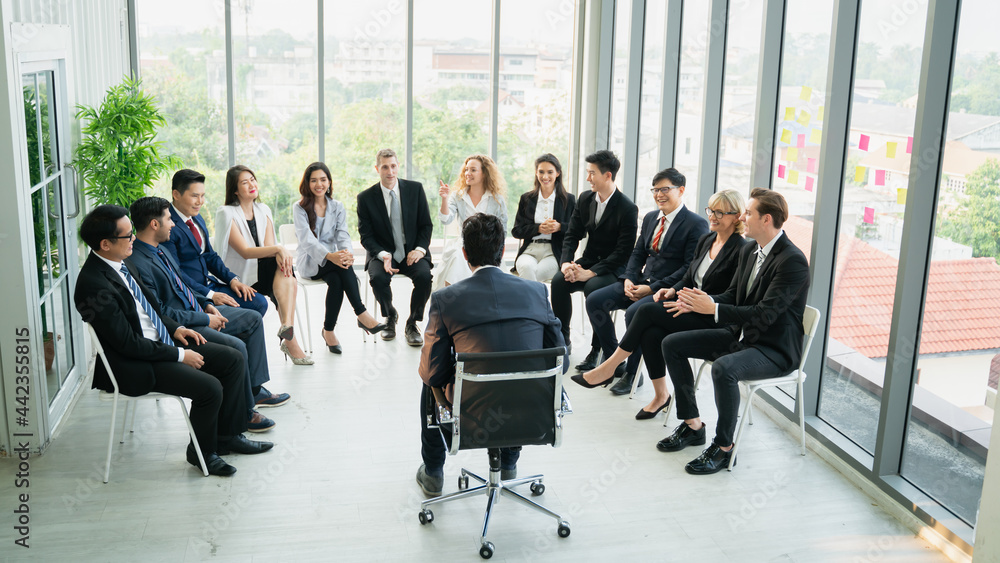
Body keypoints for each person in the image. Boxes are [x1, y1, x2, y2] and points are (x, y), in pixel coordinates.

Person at [74, 204, 273, 477]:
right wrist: (180, 355)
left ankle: (228, 436)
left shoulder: (122, 262)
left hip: (162, 341)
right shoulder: (92, 285)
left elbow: (152, 310)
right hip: (137, 363)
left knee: (233, 359)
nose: (133, 238)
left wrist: (176, 328)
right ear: (105, 244)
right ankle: (202, 453)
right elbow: (128, 344)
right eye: (127, 235)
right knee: (210, 388)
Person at [657, 188, 810, 475]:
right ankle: (692, 425)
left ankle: (725, 448)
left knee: (724, 368)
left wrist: (713, 309)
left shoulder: (792, 260)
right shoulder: (751, 250)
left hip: (774, 349)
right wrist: (702, 301)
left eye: (748, 213)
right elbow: (735, 295)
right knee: (671, 344)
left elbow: (765, 313)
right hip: (742, 337)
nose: (742, 217)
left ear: (766, 219)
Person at [415, 213, 566, 497]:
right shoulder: (536, 291)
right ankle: (508, 463)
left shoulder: (446, 299)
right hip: (532, 411)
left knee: (428, 382)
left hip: (471, 416)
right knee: (517, 376)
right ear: (503, 250)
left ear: (464, 254)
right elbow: (561, 362)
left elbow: (433, 373)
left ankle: (433, 472)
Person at [128, 196, 290, 433]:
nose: (173, 224)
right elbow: (160, 312)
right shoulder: (138, 262)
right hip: (184, 326)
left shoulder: (160, 249)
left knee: (252, 318)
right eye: (168, 219)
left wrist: (206, 303)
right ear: (154, 224)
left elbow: (183, 283)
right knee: (236, 347)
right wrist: (205, 319)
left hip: (197, 310)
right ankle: (244, 413)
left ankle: (254, 391)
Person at [581, 189, 748, 418]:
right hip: (688, 306)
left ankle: (610, 366)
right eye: (711, 210)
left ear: (737, 216)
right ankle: (661, 395)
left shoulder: (742, 249)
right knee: (651, 334)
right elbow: (688, 276)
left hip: (714, 317)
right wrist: (671, 290)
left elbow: (735, 295)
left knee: (645, 310)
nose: (713, 216)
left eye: (720, 212)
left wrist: (702, 301)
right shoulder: (708, 240)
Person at [573, 168, 708, 394]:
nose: (658, 195)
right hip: (639, 282)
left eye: (665, 189)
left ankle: (633, 373)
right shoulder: (650, 218)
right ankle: (614, 360)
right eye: (655, 190)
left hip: (667, 291)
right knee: (595, 300)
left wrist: (651, 288)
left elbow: (688, 268)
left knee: (634, 313)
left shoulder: (696, 224)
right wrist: (629, 278)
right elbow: (637, 254)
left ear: (681, 190)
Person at [213, 165, 313, 364]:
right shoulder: (226, 213)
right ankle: (289, 339)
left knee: (284, 269)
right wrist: (280, 249)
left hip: (263, 273)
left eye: (253, 179)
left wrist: (278, 251)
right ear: (235, 190)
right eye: (244, 182)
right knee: (287, 273)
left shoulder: (263, 209)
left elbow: (268, 248)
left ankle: (286, 328)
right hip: (239, 278)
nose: (252, 184)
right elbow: (245, 252)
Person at [550, 150, 638, 362]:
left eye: (592, 173)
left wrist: (590, 273)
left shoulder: (627, 208)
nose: (588, 178)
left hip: (613, 268)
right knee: (559, 281)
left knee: (593, 288)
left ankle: (596, 349)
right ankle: (563, 339)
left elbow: (623, 252)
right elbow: (572, 234)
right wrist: (566, 263)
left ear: (607, 175)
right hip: (589, 261)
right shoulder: (585, 198)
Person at [293, 161, 388, 353]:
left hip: (334, 261)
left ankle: (328, 331)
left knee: (337, 280)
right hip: (311, 260)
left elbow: (342, 234)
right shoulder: (300, 207)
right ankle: (361, 313)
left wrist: (347, 254)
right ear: (307, 183)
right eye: (314, 180)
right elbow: (307, 241)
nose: (319, 184)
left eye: (323, 179)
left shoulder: (337, 206)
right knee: (341, 266)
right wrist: (331, 256)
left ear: (329, 182)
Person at [161, 169, 269, 317]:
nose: (200, 201)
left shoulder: (196, 218)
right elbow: (175, 273)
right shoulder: (167, 225)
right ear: (176, 194)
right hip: (192, 293)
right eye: (195, 196)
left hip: (209, 284)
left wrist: (232, 280)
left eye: (202, 195)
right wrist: (210, 295)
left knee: (259, 302)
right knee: (249, 316)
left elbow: (209, 255)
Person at [357, 148, 435, 346]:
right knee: (377, 278)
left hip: (412, 251)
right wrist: (383, 254)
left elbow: (426, 225)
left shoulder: (415, 189)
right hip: (382, 252)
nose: (390, 171)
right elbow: (366, 236)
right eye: (385, 167)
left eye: (393, 166)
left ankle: (412, 323)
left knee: (424, 277)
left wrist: (420, 250)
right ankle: (390, 315)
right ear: (377, 169)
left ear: (398, 166)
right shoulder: (365, 198)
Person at [435, 154, 508, 288]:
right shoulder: (458, 196)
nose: (468, 173)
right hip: (463, 243)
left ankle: (461, 295)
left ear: (484, 173)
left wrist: (496, 249)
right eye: (466, 169)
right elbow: (445, 219)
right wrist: (444, 199)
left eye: (473, 170)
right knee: (458, 257)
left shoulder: (496, 199)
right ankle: (450, 294)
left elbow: (503, 230)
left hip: (488, 245)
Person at [511, 153, 576, 282]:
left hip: (553, 252)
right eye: (541, 172)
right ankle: (538, 296)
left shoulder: (568, 200)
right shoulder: (527, 199)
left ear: (557, 173)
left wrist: (560, 227)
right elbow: (517, 231)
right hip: (529, 250)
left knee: (534, 273)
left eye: (550, 172)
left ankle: (530, 296)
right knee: (527, 268)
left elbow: (578, 230)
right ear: (536, 173)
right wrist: (538, 228)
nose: (545, 177)